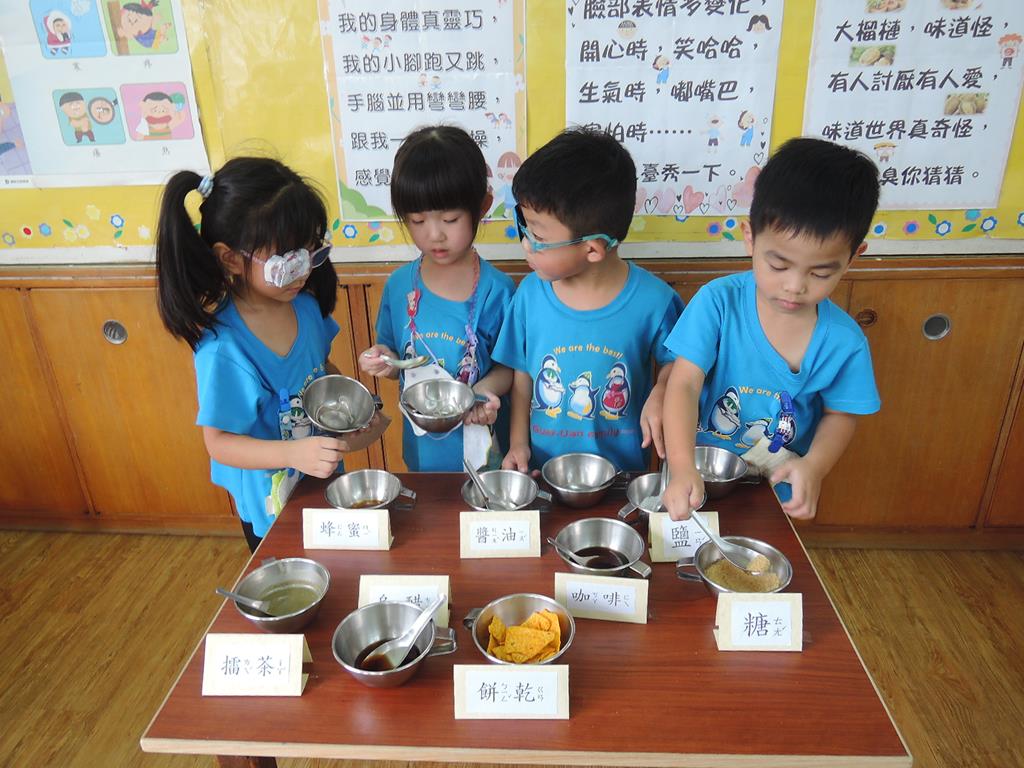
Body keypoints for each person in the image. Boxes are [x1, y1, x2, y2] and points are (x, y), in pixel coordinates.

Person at [155, 157, 374, 551]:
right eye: (288, 261)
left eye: (310, 252)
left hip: (322, 480)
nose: (304, 271)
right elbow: (219, 443)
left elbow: (320, 369)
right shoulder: (224, 349)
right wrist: (293, 453)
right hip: (270, 505)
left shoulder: (305, 308)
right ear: (231, 259)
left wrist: (353, 410)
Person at [661, 137, 881, 522]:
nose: (795, 286)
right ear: (750, 238)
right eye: (778, 265)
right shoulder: (719, 302)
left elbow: (841, 415)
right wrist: (680, 466)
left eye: (820, 273)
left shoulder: (845, 343)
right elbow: (684, 384)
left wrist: (814, 467)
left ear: (852, 258)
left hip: (774, 490)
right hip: (696, 476)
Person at [492, 127, 683, 473]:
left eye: (538, 236)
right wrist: (518, 444)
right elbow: (522, 378)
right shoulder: (529, 296)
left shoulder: (654, 301)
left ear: (592, 249)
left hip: (623, 477)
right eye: (524, 226)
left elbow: (679, 362)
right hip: (542, 473)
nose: (526, 244)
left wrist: (662, 390)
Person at [359, 125, 515, 471]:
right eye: (417, 220)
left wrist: (483, 391)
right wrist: (383, 360)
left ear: (483, 206)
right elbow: (394, 358)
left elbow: (510, 366)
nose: (434, 234)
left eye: (450, 219)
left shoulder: (498, 291)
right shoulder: (399, 286)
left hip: (485, 455)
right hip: (422, 457)